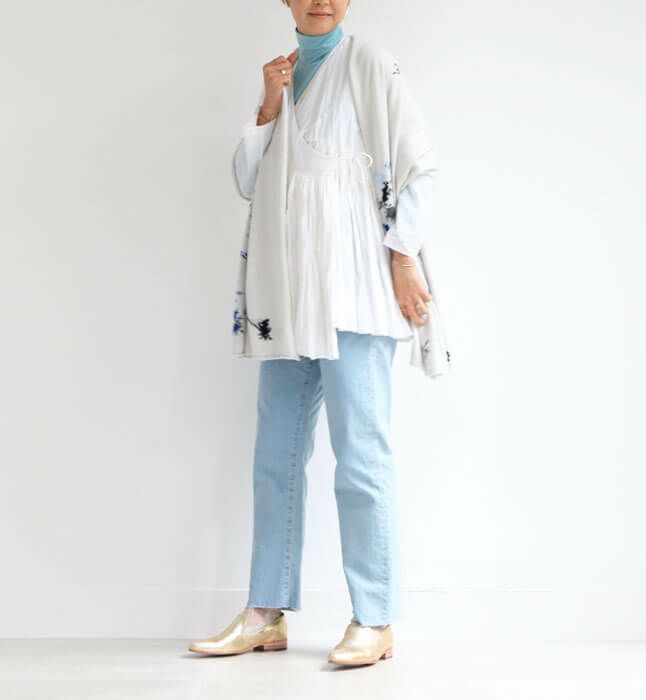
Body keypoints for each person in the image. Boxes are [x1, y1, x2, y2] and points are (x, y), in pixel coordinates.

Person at [189, 0, 445, 667]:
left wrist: (403, 255)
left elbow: (420, 165)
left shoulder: (369, 64)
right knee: (274, 459)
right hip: (288, 298)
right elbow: (250, 181)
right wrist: (267, 107)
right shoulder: (284, 76)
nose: (320, 0)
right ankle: (264, 612)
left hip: (355, 293)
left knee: (361, 458)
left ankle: (375, 619)